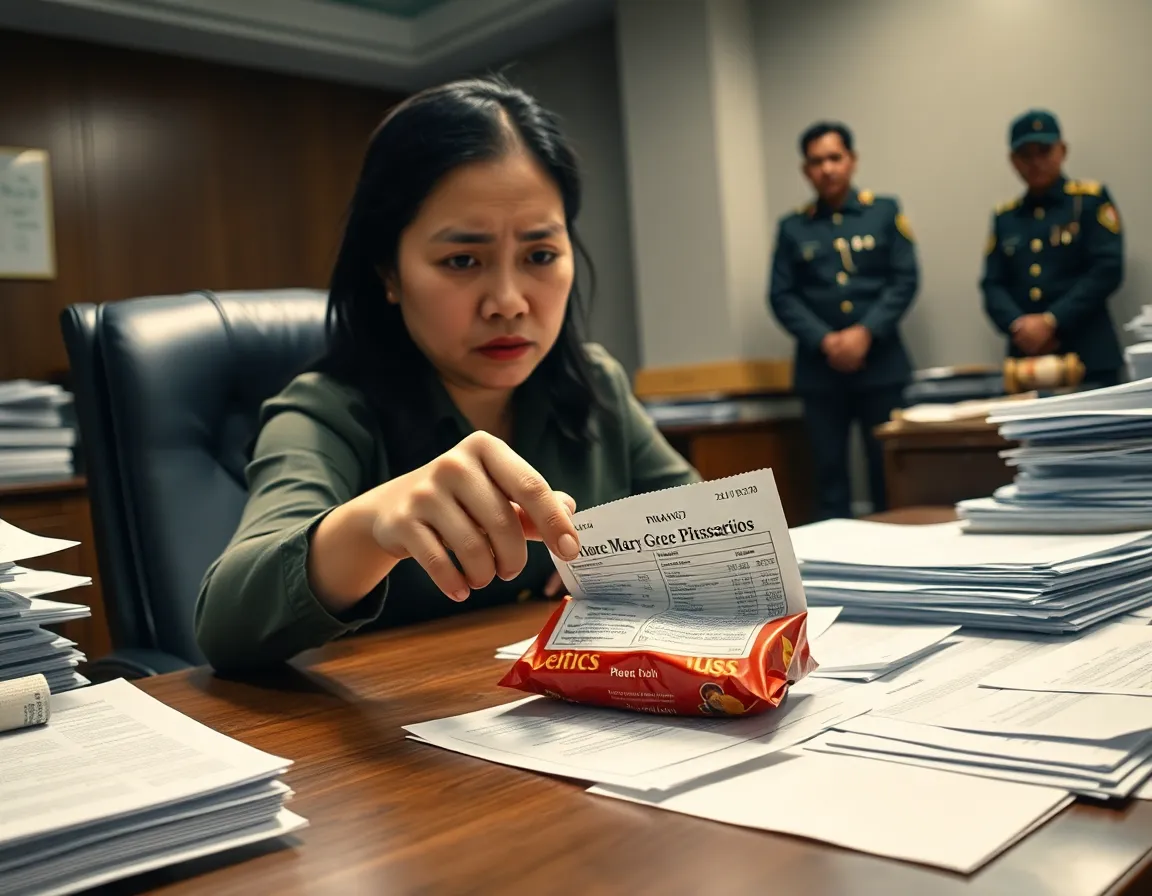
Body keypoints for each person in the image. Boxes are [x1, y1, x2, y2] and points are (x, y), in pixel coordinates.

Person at [194, 77, 699, 673]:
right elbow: (224, 624)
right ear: (388, 271)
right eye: (463, 260)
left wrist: (630, 573)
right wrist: (372, 527)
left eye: (540, 256)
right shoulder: (324, 411)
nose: (509, 301)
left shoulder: (595, 383)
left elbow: (703, 533)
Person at [768, 121, 919, 521]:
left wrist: (865, 332)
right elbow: (781, 295)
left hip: (881, 365)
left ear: (852, 161)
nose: (827, 169)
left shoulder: (884, 212)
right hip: (821, 372)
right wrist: (826, 341)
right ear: (806, 170)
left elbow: (904, 279)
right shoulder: (792, 227)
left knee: (888, 472)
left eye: (835, 158)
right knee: (829, 479)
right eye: (817, 161)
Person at [981, 109, 1125, 388]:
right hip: (1026, 365)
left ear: (1063, 150)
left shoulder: (1089, 201)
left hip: (1088, 356)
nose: (1035, 162)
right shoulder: (1005, 217)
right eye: (1025, 155)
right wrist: (1018, 326)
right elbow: (992, 284)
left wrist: (1052, 320)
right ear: (1013, 161)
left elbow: (1107, 269)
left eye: (1044, 151)